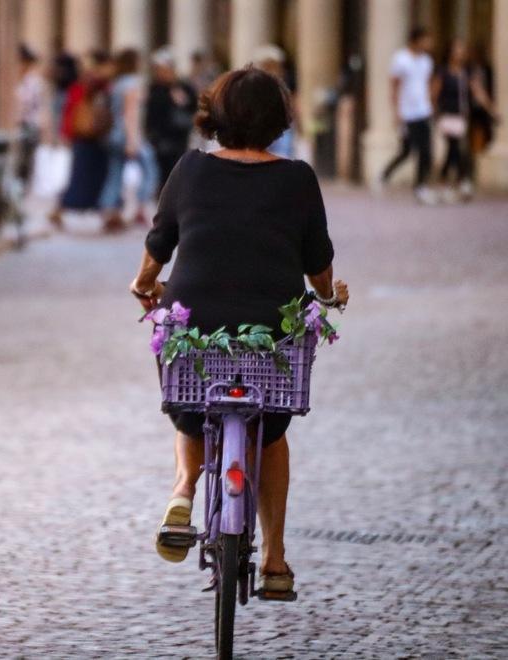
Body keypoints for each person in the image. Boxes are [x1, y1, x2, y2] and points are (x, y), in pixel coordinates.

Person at [129, 66, 349, 594]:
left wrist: (143, 285)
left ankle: (184, 488)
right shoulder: (297, 178)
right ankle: (275, 560)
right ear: (278, 119)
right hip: (273, 330)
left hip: (196, 323)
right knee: (270, 433)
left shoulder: (190, 169)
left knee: (190, 406)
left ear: (216, 115)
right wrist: (327, 296)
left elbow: (159, 243)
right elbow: (318, 263)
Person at [98, 48, 160, 232]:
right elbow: (130, 114)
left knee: (115, 174)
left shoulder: (117, 83)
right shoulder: (133, 83)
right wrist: (133, 140)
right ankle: (141, 205)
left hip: (113, 134)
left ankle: (109, 210)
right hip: (128, 134)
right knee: (150, 169)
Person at [50, 51, 112, 227]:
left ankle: (104, 213)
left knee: (90, 176)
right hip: (86, 137)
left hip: (92, 137)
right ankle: (61, 209)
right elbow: (71, 111)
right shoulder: (87, 86)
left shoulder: (83, 86)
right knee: (81, 176)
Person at [431, 38, 498, 202]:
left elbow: (478, 92)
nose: (460, 52)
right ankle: (460, 182)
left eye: (462, 49)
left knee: (455, 150)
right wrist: (433, 112)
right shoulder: (443, 71)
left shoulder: (467, 72)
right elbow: (434, 94)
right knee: (454, 147)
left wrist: (491, 109)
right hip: (446, 115)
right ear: (450, 51)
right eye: (457, 48)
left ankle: (448, 183)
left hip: (461, 116)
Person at [379, 27, 437, 204]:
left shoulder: (427, 61)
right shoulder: (401, 59)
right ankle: (384, 175)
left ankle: (420, 186)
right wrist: (396, 112)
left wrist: (431, 105)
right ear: (416, 40)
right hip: (407, 113)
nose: (428, 43)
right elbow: (394, 86)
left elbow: (427, 84)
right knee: (407, 151)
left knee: (426, 151)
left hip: (423, 111)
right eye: (425, 39)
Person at [145, 47, 197, 192]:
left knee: (176, 171)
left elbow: (193, 107)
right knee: (161, 174)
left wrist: (182, 101)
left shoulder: (183, 87)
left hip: (178, 138)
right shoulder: (154, 88)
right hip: (159, 138)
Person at [15, 44, 48, 187]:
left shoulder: (35, 82)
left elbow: (38, 105)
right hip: (18, 125)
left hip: (30, 125)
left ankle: (23, 186)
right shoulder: (16, 81)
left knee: (26, 159)